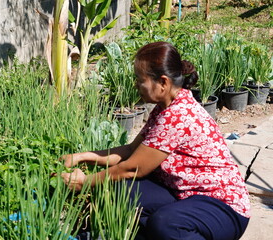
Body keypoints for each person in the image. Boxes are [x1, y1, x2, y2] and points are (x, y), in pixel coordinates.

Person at [61, 41, 250, 240]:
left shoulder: (179, 114)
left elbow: (133, 168)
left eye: (140, 79)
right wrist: (82, 157)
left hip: (222, 208)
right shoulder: (164, 107)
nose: (136, 85)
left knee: (166, 223)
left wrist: (85, 182)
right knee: (121, 188)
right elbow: (132, 151)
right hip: (184, 195)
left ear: (163, 82)